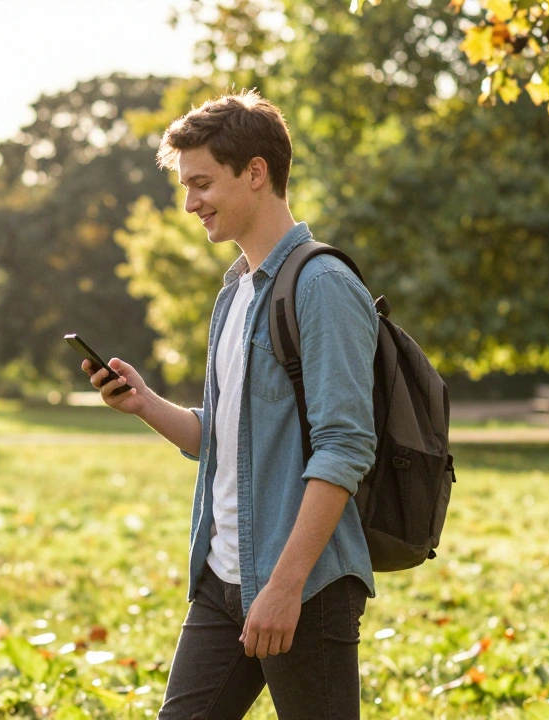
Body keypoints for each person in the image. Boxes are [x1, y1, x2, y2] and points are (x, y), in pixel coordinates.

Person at [82, 90, 378, 719]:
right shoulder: (235, 294)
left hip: (303, 585)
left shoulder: (323, 286)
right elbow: (222, 441)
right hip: (223, 579)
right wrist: (145, 404)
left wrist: (285, 585)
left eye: (202, 183)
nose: (191, 204)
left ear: (256, 172)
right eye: (185, 187)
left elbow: (346, 446)